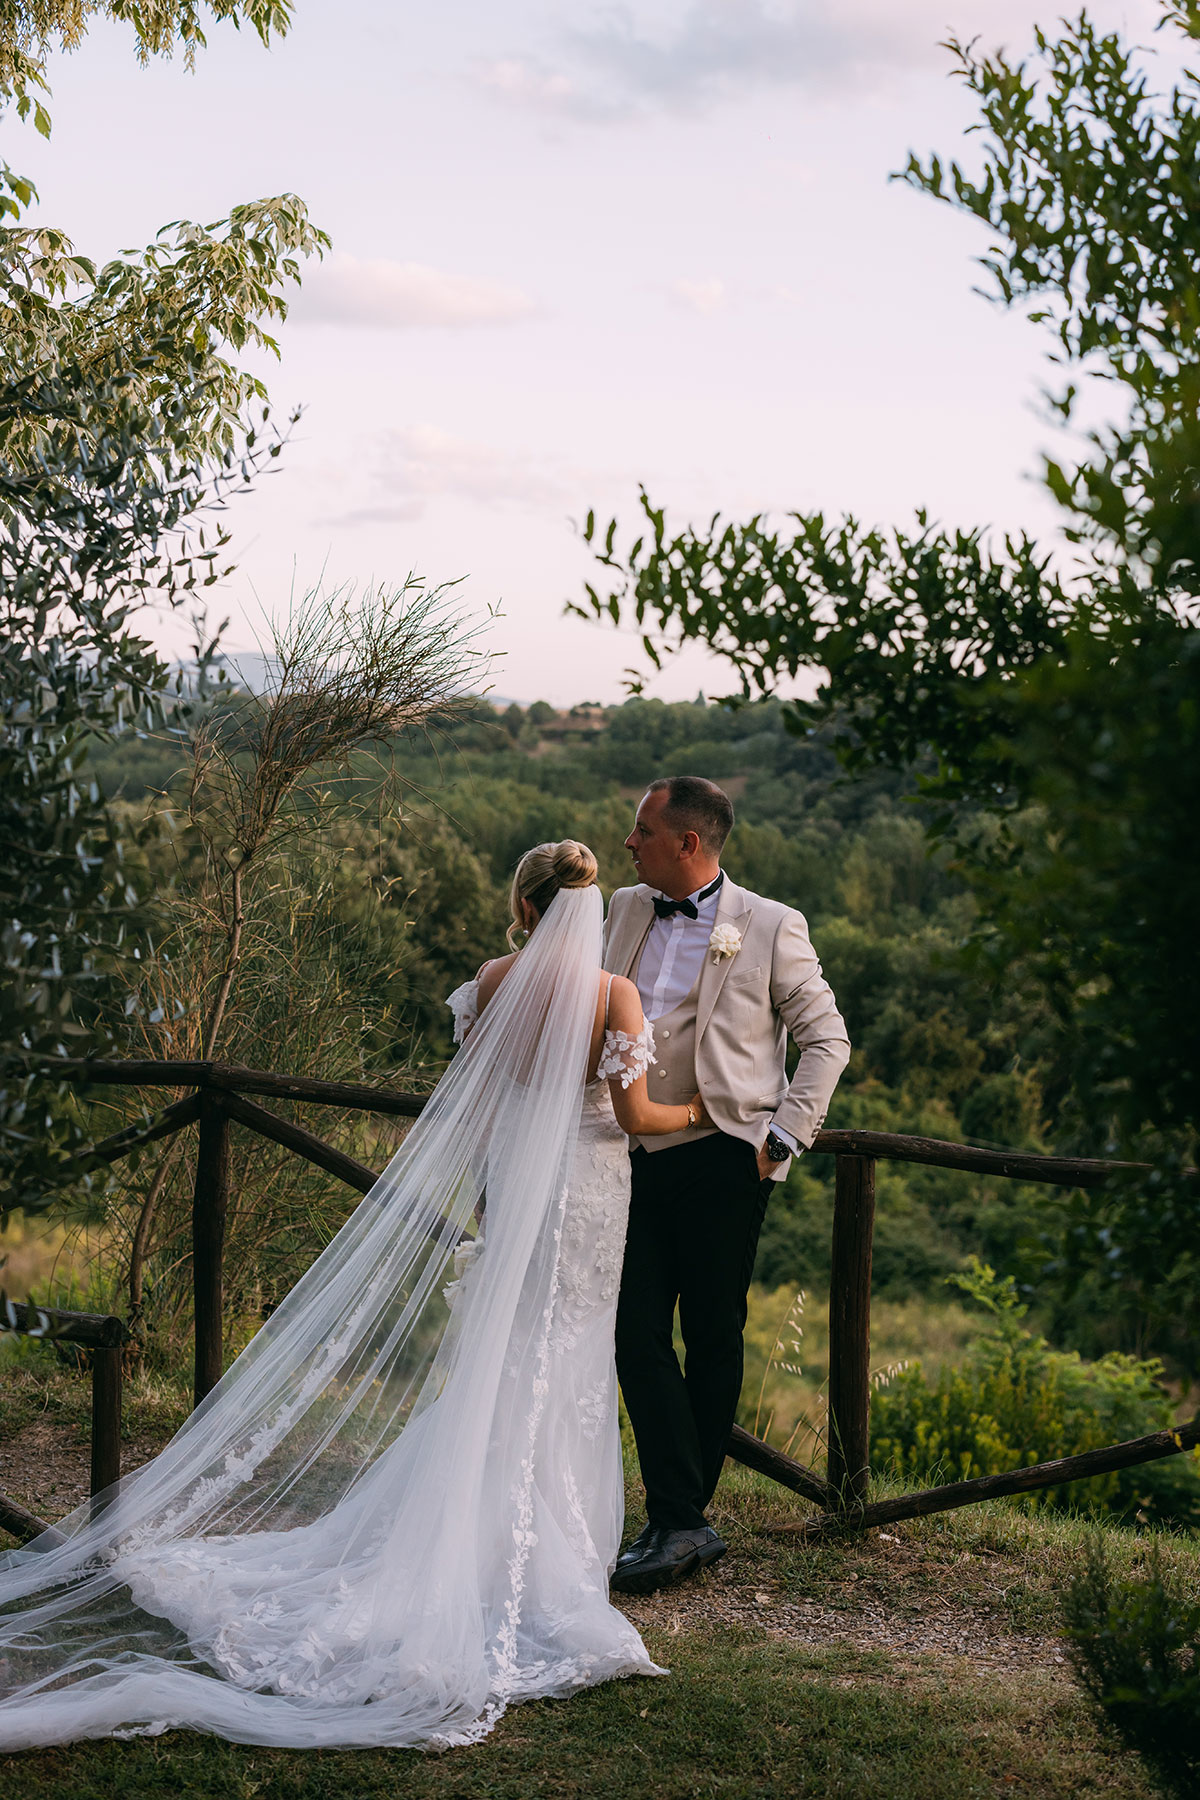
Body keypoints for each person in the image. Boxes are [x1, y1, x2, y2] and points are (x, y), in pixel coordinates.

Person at [0, 840, 706, 1752]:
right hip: (592, 1197)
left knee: (502, 1359)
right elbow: (643, 1115)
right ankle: (542, 1557)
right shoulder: (616, 994)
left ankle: (479, 1532)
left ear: (526, 906)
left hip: (518, 1196)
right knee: (568, 1358)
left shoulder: (493, 981)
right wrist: (711, 1108)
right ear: (588, 905)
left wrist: (492, 1200)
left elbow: (485, 1111)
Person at [604, 778, 851, 1595]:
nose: (628, 844)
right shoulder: (625, 908)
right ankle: (683, 1519)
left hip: (724, 1155)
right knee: (633, 1331)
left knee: (712, 1336)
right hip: (633, 1150)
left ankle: (678, 1517)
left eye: (642, 831)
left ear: (689, 843)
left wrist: (780, 1139)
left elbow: (826, 1040)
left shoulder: (773, 925)